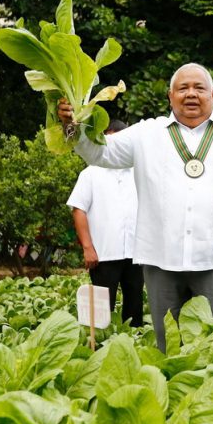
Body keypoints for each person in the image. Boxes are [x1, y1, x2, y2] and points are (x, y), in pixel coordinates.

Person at [58, 63, 213, 352]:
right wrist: (71, 126)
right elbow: (98, 154)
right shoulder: (147, 133)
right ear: (170, 96)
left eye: (199, 87)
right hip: (161, 260)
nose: (191, 94)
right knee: (167, 342)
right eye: (183, 88)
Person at [66, 119, 144, 326]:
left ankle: (134, 345)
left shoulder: (139, 172)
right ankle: (99, 346)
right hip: (103, 254)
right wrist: (88, 248)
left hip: (136, 253)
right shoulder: (91, 173)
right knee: (101, 309)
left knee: (135, 305)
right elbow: (78, 209)